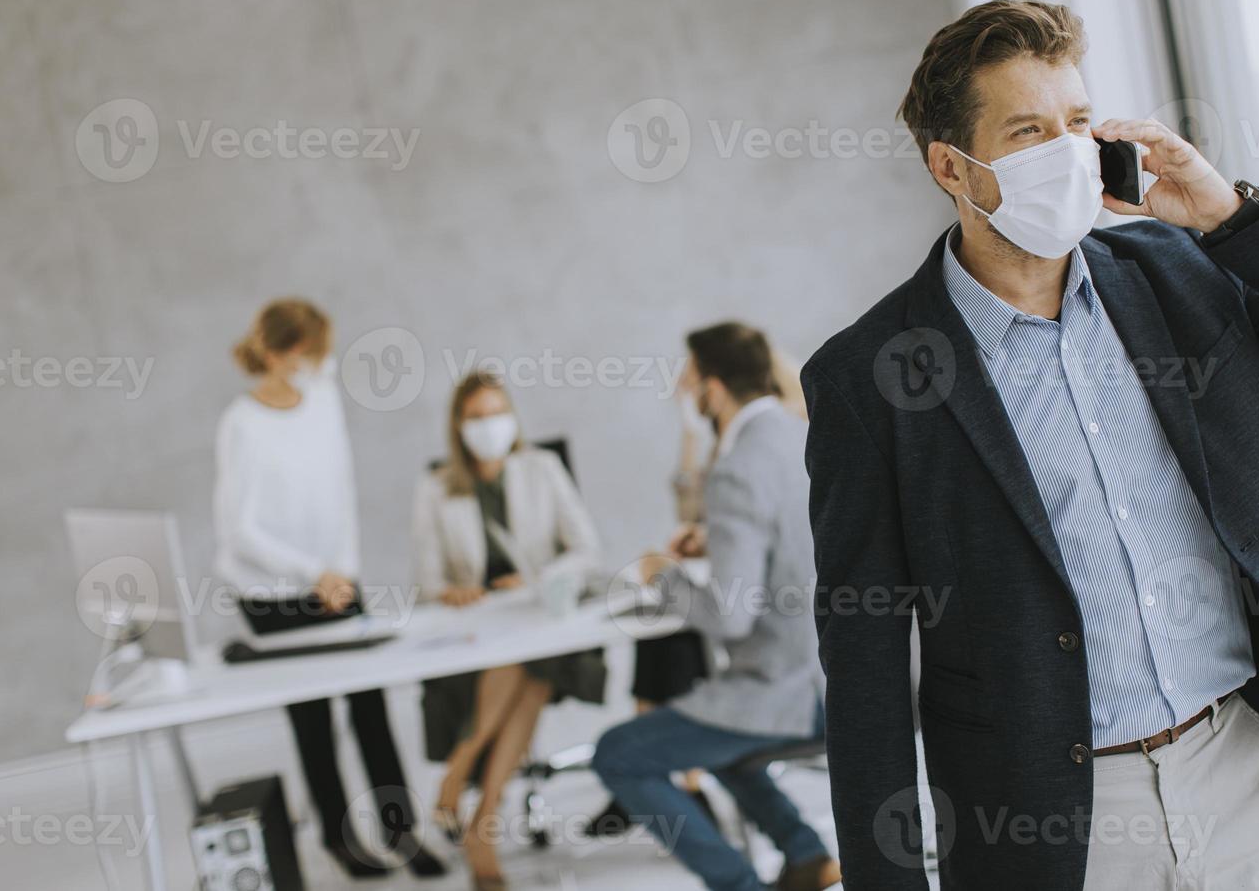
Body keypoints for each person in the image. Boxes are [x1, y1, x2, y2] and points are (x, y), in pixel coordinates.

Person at [802, 0, 1259, 890]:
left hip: (1238, 770)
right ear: (952, 165)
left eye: (1078, 122)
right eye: (1027, 131)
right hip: (1046, 818)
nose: (1065, 151)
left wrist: (1229, 216)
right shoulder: (868, 378)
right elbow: (863, 665)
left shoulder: (1179, 274)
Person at [592, 323, 840, 891]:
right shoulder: (799, 436)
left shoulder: (735, 469)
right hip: (839, 676)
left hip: (788, 691)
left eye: (689, 378)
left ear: (715, 388)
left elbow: (731, 614)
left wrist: (664, 575)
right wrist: (717, 544)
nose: (684, 391)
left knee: (618, 753)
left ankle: (739, 885)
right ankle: (806, 855)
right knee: (716, 737)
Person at [214, 298, 444, 879]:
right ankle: (339, 838)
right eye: (305, 353)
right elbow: (238, 529)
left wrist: (341, 569)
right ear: (272, 352)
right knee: (312, 713)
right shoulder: (241, 423)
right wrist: (309, 573)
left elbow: (342, 487)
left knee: (370, 703)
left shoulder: (323, 398)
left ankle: (401, 830)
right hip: (272, 592)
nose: (316, 364)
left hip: (336, 580)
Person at [412, 368, 605, 890]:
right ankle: (482, 823)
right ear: (458, 426)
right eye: (476, 417)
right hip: (479, 637)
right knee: (526, 670)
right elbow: (428, 581)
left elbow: (587, 550)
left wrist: (541, 577)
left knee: (533, 662)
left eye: (497, 413)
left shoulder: (541, 468)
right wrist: (454, 591)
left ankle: (463, 778)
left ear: (512, 417)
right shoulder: (436, 488)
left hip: (543, 625)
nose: (489, 425)